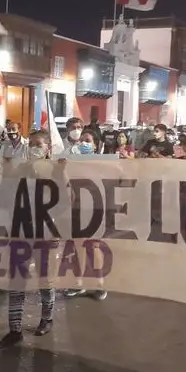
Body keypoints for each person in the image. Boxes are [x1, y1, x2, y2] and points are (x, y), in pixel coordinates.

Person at [0, 130, 56, 347]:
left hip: (45, 233)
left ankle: (47, 318)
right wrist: (7, 173)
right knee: (17, 280)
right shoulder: (19, 170)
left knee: (45, 279)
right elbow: (2, 197)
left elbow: (67, 200)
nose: (33, 148)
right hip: (20, 232)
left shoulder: (56, 170)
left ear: (48, 148)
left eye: (38, 144)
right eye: (30, 144)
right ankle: (14, 329)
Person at [63, 129, 108, 301]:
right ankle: (78, 283)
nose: (83, 143)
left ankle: (100, 284)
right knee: (78, 247)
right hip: (76, 209)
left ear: (95, 145)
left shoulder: (102, 163)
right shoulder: (73, 162)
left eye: (88, 140)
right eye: (81, 140)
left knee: (94, 246)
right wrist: (62, 167)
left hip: (95, 209)